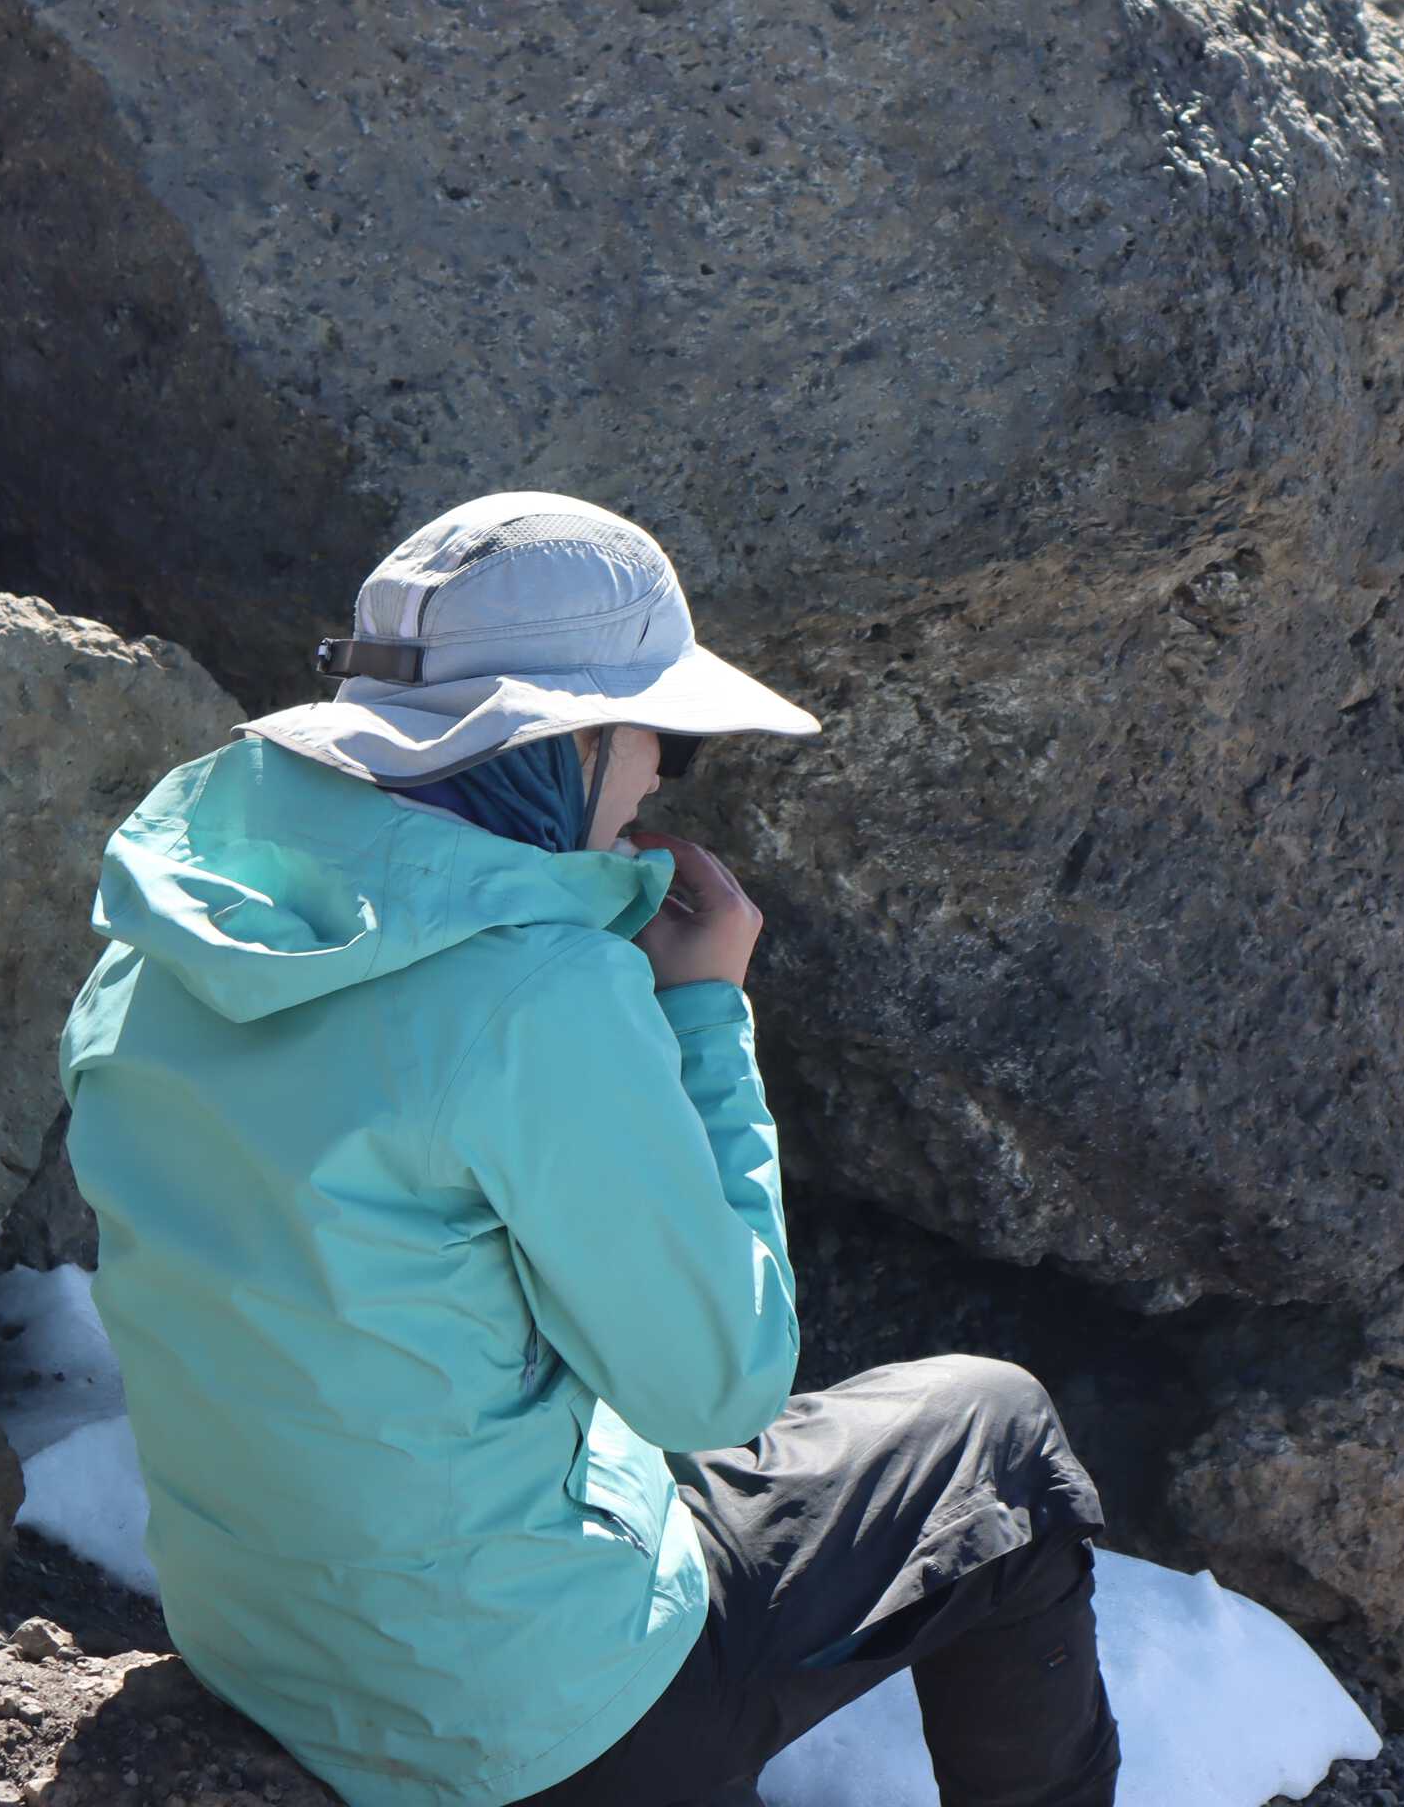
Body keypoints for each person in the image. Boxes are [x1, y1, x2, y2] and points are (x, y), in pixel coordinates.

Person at [58, 490, 1122, 1807]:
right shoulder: (536, 992)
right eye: (656, 729)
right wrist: (703, 1012)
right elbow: (715, 1390)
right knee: (997, 1431)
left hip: (262, 1644)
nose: (665, 772)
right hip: (527, 1729)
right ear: (552, 741)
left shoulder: (170, 937)